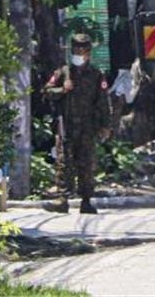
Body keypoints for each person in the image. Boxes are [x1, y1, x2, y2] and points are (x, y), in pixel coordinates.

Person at [42, 33, 112, 214]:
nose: (79, 52)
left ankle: (86, 200)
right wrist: (62, 90)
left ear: (88, 52)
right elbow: (47, 92)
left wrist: (105, 125)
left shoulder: (96, 74)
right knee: (64, 161)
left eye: (83, 49)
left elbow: (103, 102)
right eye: (76, 49)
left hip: (87, 125)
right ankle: (62, 199)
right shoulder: (63, 73)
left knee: (86, 162)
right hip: (66, 124)